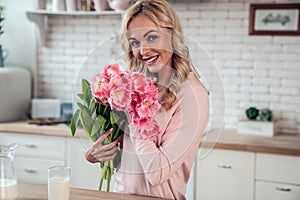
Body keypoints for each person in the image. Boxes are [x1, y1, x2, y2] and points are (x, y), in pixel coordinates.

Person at [85, 0, 209, 199]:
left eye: (152, 37)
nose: (142, 51)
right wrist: (97, 153)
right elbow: (127, 157)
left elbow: (157, 172)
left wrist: (135, 114)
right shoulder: (134, 85)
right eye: (135, 42)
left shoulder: (192, 95)